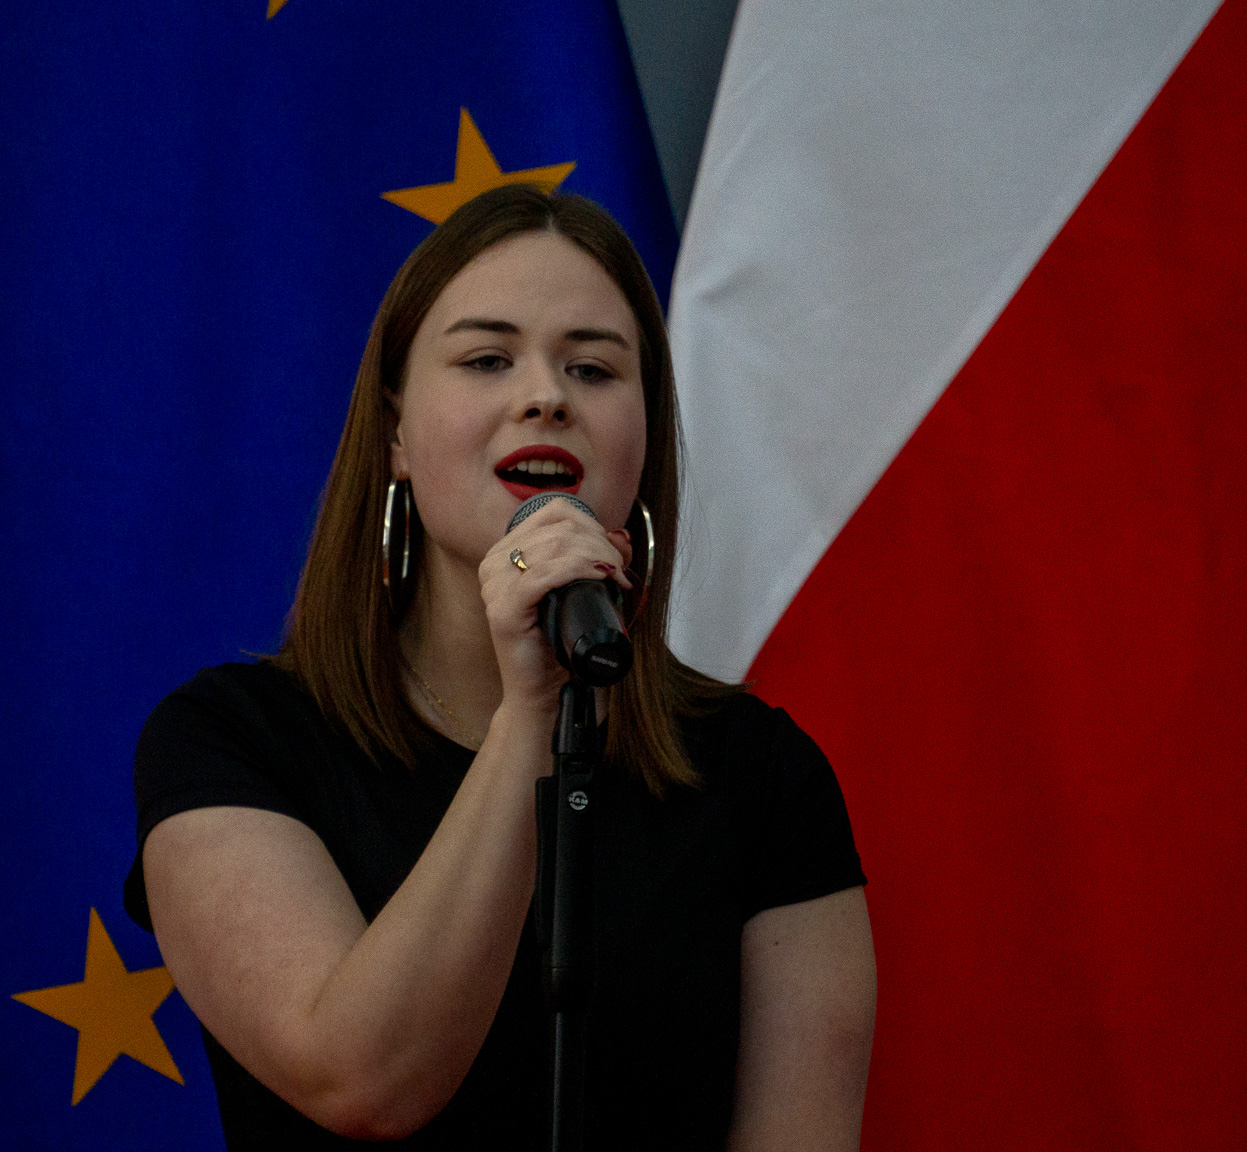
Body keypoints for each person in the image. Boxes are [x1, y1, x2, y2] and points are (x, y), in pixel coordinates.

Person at [125, 184, 875, 1149]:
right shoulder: (231, 742)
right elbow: (362, 1083)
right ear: (395, 434)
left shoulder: (763, 776)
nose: (545, 397)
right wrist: (532, 712)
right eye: (487, 359)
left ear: (644, 438)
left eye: (593, 369)